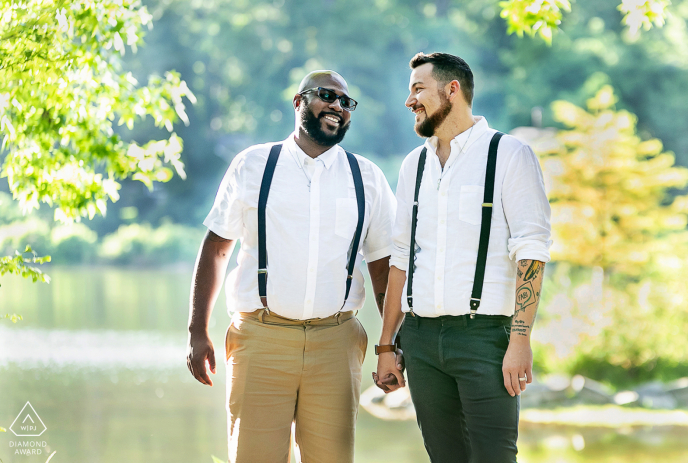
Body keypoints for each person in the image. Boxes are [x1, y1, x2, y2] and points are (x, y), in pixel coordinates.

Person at [187, 70, 396, 463]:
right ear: (299, 102)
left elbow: (383, 266)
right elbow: (216, 249)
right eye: (326, 95)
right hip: (261, 339)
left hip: (336, 341)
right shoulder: (253, 165)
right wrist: (197, 329)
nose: (336, 105)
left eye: (345, 101)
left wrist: (391, 345)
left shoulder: (367, 177)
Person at [374, 52, 552, 462]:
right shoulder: (413, 165)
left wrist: (520, 339)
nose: (409, 101)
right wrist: (387, 345)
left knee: (493, 456)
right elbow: (401, 256)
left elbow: (531, 251)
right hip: (419, 341)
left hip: (484, 339)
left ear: (452, 90)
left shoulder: (508, 154)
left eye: (418, 89)